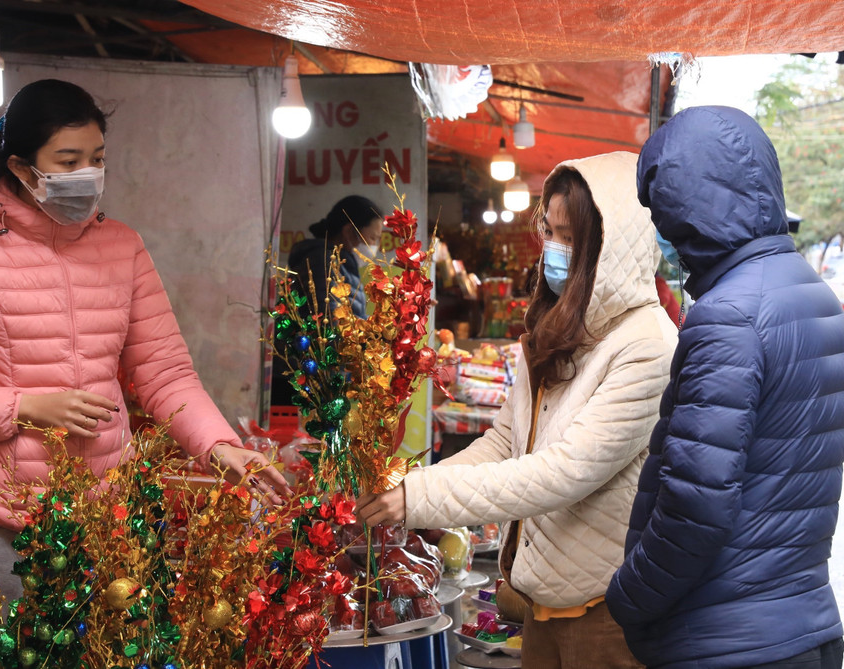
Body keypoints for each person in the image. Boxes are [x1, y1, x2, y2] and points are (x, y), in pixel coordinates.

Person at [0, 79, 290, 665]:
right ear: (22, 167)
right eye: (68, 161)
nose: (88, 174)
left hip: (101, 514)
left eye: (97, 159)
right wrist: (24, 406)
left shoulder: (121, 246)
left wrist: (220, 447)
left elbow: (166, 371)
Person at [358, 151, 677, 668]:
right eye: (550, 232)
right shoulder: (561, 328)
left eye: (571, 237)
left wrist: (420, 496)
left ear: (611, 245)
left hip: (603, 611)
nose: (555, 248)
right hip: (541, 600)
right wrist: (408, 484)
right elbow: (505, 442)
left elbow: (564, 473)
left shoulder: (648, 345)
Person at [607, 106, 844, 669]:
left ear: (689, 211)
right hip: (802, 625)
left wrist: (628, 597)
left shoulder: (729, 315)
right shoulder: (814, 294)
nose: (663, 234)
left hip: (724, 638)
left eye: (664, 215)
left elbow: (695, 503)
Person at [270, 195, 383, 404]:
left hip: (317, 377)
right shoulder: (324, 261)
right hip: (306, 381)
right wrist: (381, 330)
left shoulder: (339, 263)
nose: (375, 246)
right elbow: (331, 322)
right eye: (373, 238)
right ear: (349, 231)